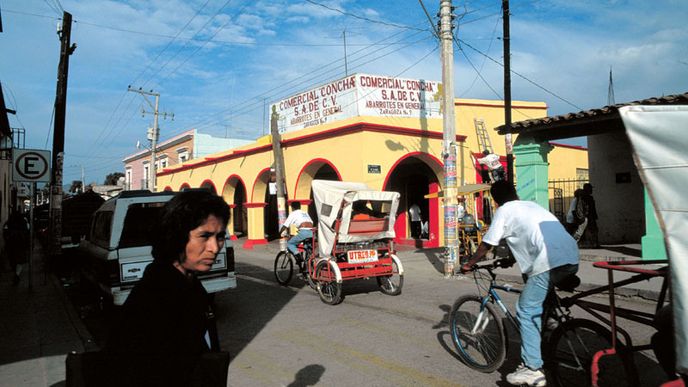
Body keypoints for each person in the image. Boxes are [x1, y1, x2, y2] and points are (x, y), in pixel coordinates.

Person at [105, 190, 230, 386]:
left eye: (220, 236)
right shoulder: (157, 296)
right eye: (204, 236)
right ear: (177, 236)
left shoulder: (189, 285)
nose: (215, 247)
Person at [461, 181, 579, 387]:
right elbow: (531, 236)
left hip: (548, 262)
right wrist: (510, 260)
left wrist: (470, 263)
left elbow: (488, 243)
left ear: (495, 199)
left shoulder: (504, 210)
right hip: (570, 257)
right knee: (532, 280)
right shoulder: (531, 206)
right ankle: (549, 321)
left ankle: (532, 368)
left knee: (525, 309)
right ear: (515, 193)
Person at [3, 208, 30, 286]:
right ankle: (17, 274)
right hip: (21, 245)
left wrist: (7, 241)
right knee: (20, 261)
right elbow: (28, 233)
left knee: (12, 260)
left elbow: (5, 233)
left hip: (11, 245)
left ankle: (16, 273)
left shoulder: (8, 223)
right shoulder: (23, 222)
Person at [578, 183, 599, 248]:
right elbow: (588, 208)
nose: (592, 190)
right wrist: (587, 217)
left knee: (592, 230)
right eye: (590, 188)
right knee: (592, 230)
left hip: (589, 217)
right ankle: (593, 244)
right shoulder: (586, 198)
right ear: (587, 189)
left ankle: (593, 244)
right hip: (589, 217)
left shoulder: (585, 197)